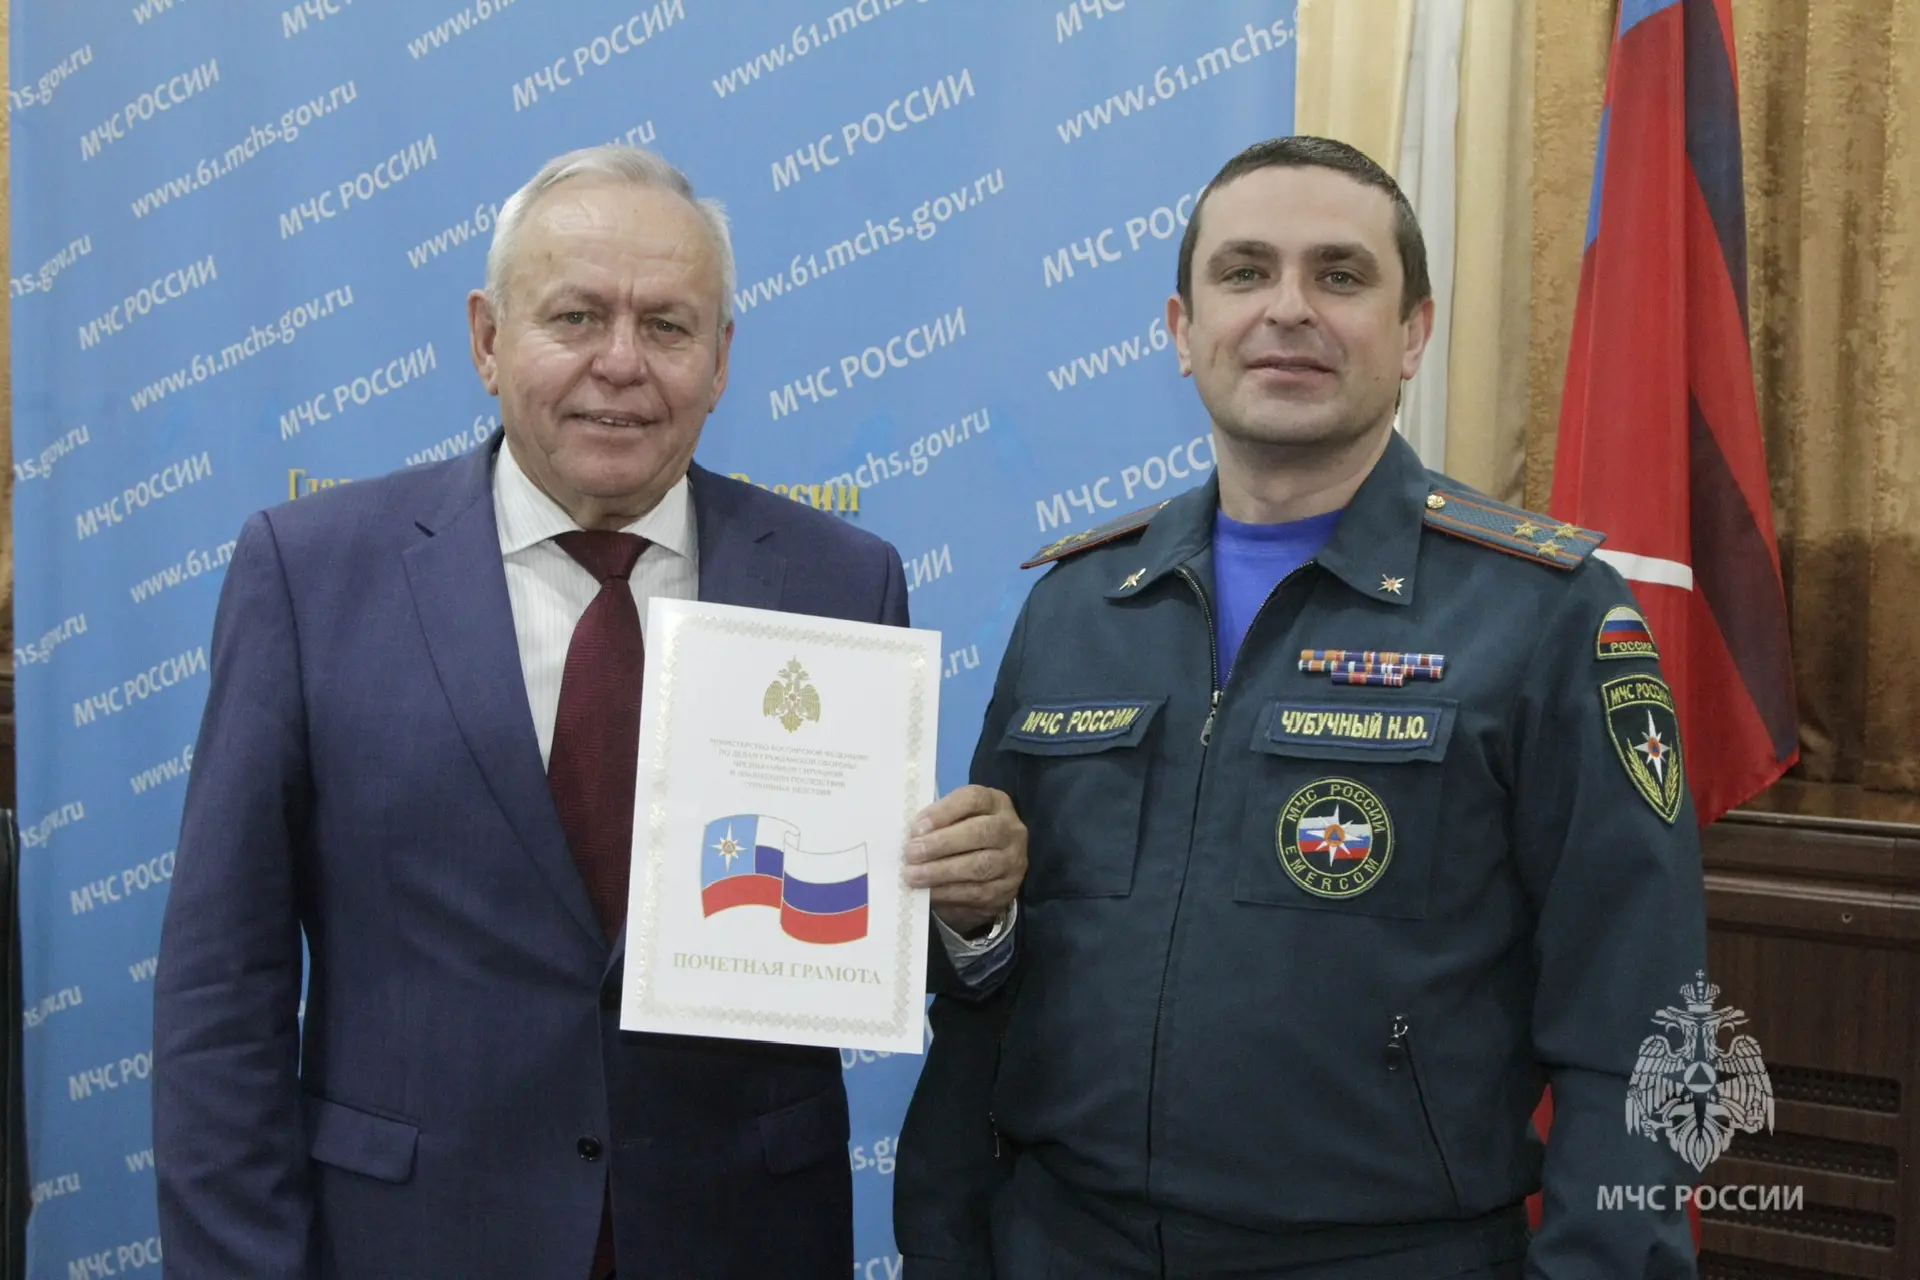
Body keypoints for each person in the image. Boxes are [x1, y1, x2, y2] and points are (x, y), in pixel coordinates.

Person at [151, 145, 1027, 1280]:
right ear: (486, 338)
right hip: (410, 1240)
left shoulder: (839, 579)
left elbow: (855, 943)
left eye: (667, 326)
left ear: (721, 360)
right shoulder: (310, 574)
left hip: (740, 1242)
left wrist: (964, 913)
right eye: (575, 316)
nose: (621, 363)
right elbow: (222, 990)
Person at [895, 136, 1708, 1279]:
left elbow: (1638, 1023)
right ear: (1183, 331)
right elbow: (990, 974)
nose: (1288, 308)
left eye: (1339, 274)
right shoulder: (1079, 606)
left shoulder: (1545, 615)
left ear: (1413, 332)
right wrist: (946, 1233)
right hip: (1061, 1241)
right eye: (1245, 272)